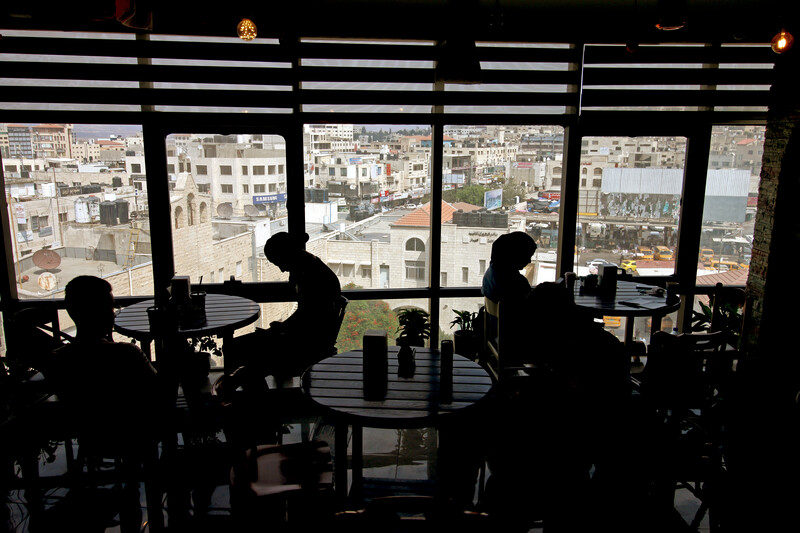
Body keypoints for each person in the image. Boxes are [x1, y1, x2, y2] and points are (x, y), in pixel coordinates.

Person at [226, 232, 342, 381]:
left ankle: (242, 397)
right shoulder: (314, 269)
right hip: (313, 342)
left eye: (280, 263)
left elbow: (307, 317)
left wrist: (280, 329)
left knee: (237, 348)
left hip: (304, 347)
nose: (282, 269)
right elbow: (309, 315)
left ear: (288, 254)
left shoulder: (310, 276)